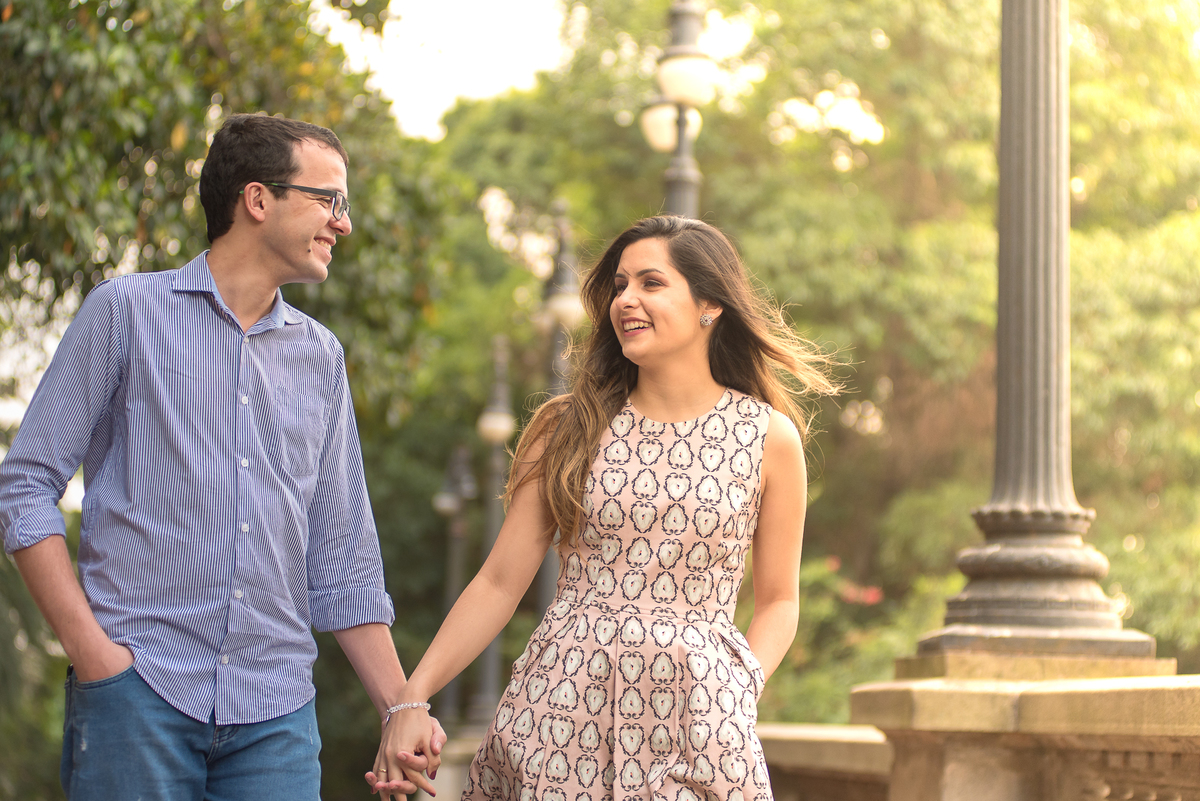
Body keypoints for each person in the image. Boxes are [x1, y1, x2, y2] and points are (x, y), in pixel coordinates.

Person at [0, 113, 442, 801]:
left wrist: (401, 705)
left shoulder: (321, 358)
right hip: (136, 694)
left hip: (277, 717)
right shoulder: (124, 313)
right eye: (330, 200)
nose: (343, 223)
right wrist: (92, 653)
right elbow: (25, 486)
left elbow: (342, 554)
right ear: (258, 199)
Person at [380, 215, 837, 800]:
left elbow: (779, 600)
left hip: (700, 718)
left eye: (651, 282)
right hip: (561, 705)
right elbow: (499, 581)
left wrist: (736, 684)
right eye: (620, 285)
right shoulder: (567, 427)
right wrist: (413, 694)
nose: (626, 299)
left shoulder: (768, 437)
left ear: (710, 304)